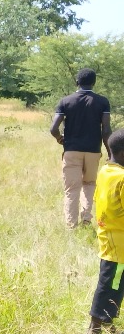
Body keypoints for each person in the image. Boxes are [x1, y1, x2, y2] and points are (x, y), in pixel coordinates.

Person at [50, 68, 112, 229]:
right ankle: (86, 219)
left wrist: (59, 138)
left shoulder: (66, 101)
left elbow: (53, 128)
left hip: (71, 150)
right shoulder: (102, 102)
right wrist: (110, 152)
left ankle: (71, 226)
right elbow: (106, 130)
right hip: (93, 150)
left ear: (77, 82)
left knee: (72, 188)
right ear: (94, 82)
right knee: (90, 184)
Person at [89, 129, 124, 334]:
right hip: (120, 245)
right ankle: (94, 328)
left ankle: (108, 325)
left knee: (113, 284)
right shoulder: (122, 178)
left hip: (108, 238)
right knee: (110, 285)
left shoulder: (105, 172)